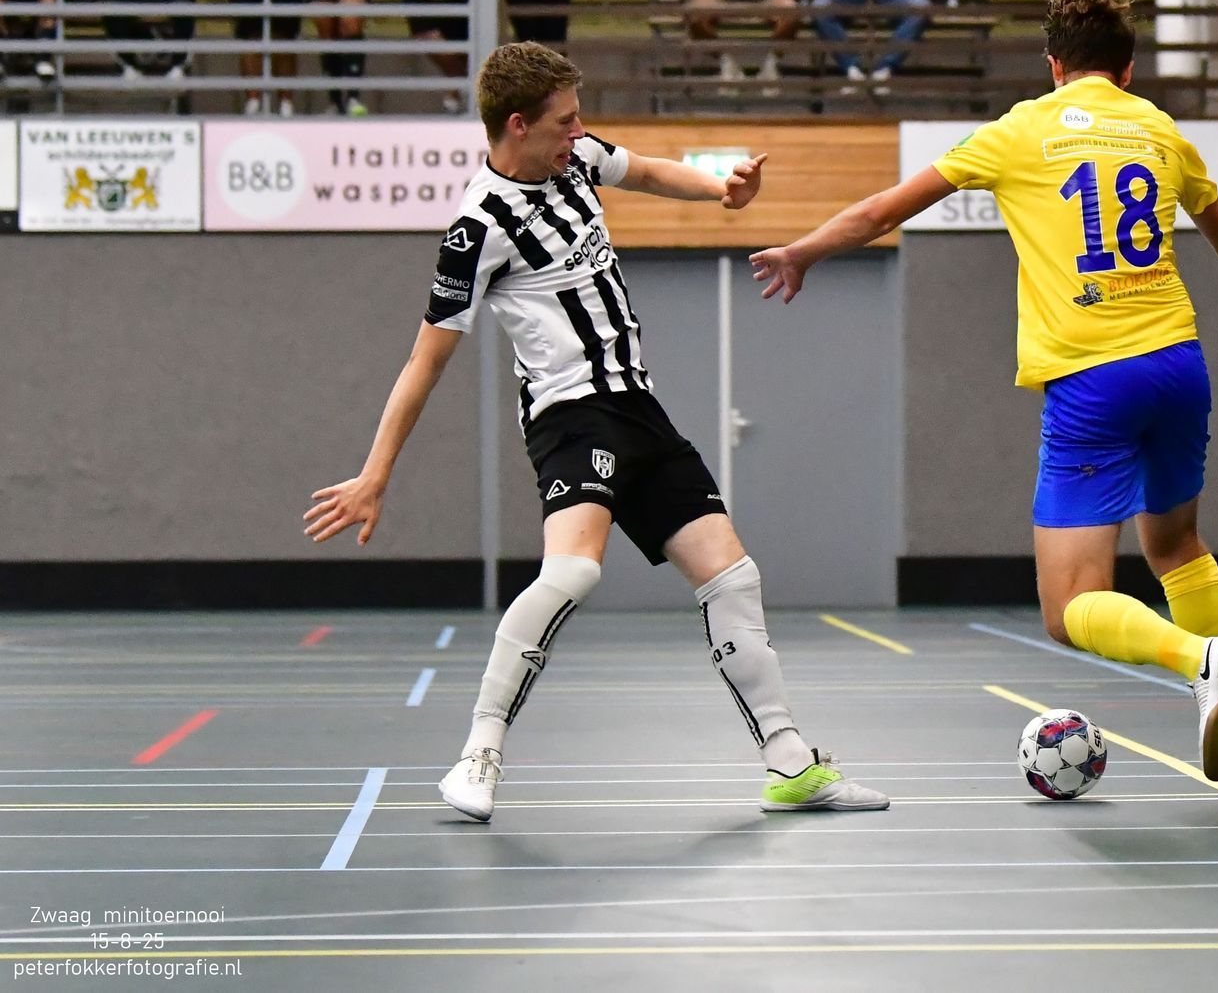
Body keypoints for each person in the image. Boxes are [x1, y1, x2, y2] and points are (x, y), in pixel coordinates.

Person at [749, 0, 1218, 798]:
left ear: (1054, 65)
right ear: (1127, 68)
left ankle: (1198, 657)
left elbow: (885, 210)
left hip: (1094, 380)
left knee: (1070, 604)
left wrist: (804, 250)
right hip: (1178, 363)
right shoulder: (1159, 127)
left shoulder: (1021, 129)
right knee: (1177, 546)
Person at [304, 42, 888, 821]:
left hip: (638, 406)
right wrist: (376, 473)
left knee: (732, 576)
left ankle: (790, 762)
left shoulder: (575, 159)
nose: (580, 132)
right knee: (575, 572)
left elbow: (645, 170)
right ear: (518, 125)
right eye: (565, 121)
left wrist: (722, 190)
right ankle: (479, 750)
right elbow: (424, 361)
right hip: (570, 414)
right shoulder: (477, 229)